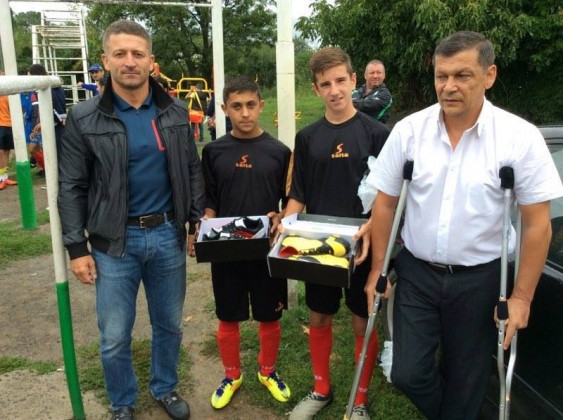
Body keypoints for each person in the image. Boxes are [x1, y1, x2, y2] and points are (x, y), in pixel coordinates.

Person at [365, 31, 563, 420]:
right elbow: (385, 203)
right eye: (441, 76)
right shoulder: (410, 131)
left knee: (467, 380)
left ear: (489, 76)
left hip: (481, 280)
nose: (449, 86)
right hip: (417, 273)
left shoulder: (519, 138)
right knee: (407, 373)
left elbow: (538, 224)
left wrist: (521, 298)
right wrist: (377, 269)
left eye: (462, 75)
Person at [57, 19, 205, 420]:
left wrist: (196, 223)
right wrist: (76, 247)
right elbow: (71, 186)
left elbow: (192, 169)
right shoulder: (84, 118)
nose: (129, 61)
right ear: (105, 60)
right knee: (114, 336)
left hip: (168, 235)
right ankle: (122, 403)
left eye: (137, 54)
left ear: (151, 61)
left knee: (169, 325)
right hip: (113, 244)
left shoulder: (174, 111)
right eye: (120, 53)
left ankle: (164, 387)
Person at [285, 47, 390, 420]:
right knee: (319, 316)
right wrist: (285, 226)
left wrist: (373, 229)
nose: (335, 90)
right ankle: (321, 389)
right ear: (315, 89)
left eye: (341, 81)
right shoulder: (307, 137)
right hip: (319, 245)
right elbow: (299, 193)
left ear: (353, 80)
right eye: (325, 84)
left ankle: (359, 400)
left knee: (363, 320)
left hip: (363, 244)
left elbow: (388, 197)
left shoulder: (377, 133)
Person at [199, 76, 292, 410]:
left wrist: (281, 216)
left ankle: (268, 371)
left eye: (251, 105)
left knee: (270, 316)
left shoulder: (280, 152)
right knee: (228, 316)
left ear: (261, 105)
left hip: (266, 249)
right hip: (227, 249)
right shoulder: (213, 151)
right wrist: (207, 218)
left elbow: (290, 202)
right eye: (236, 107)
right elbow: (210, 198)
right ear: (225, 109)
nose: (245, 113)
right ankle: (232, 375)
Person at [352, 60, 393, 124]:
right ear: (365, 75)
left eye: (379, 73)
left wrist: (348, 102)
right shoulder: (357, 90)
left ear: (384, 75)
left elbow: (363, 106)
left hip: (374, 130)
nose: (375, 76)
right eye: (372, 73)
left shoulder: (385, 95)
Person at [0, 71, 18, 190]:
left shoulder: (9, 94)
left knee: (6, 151)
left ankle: (4, 178)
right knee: (1, 151)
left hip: (8, 124)